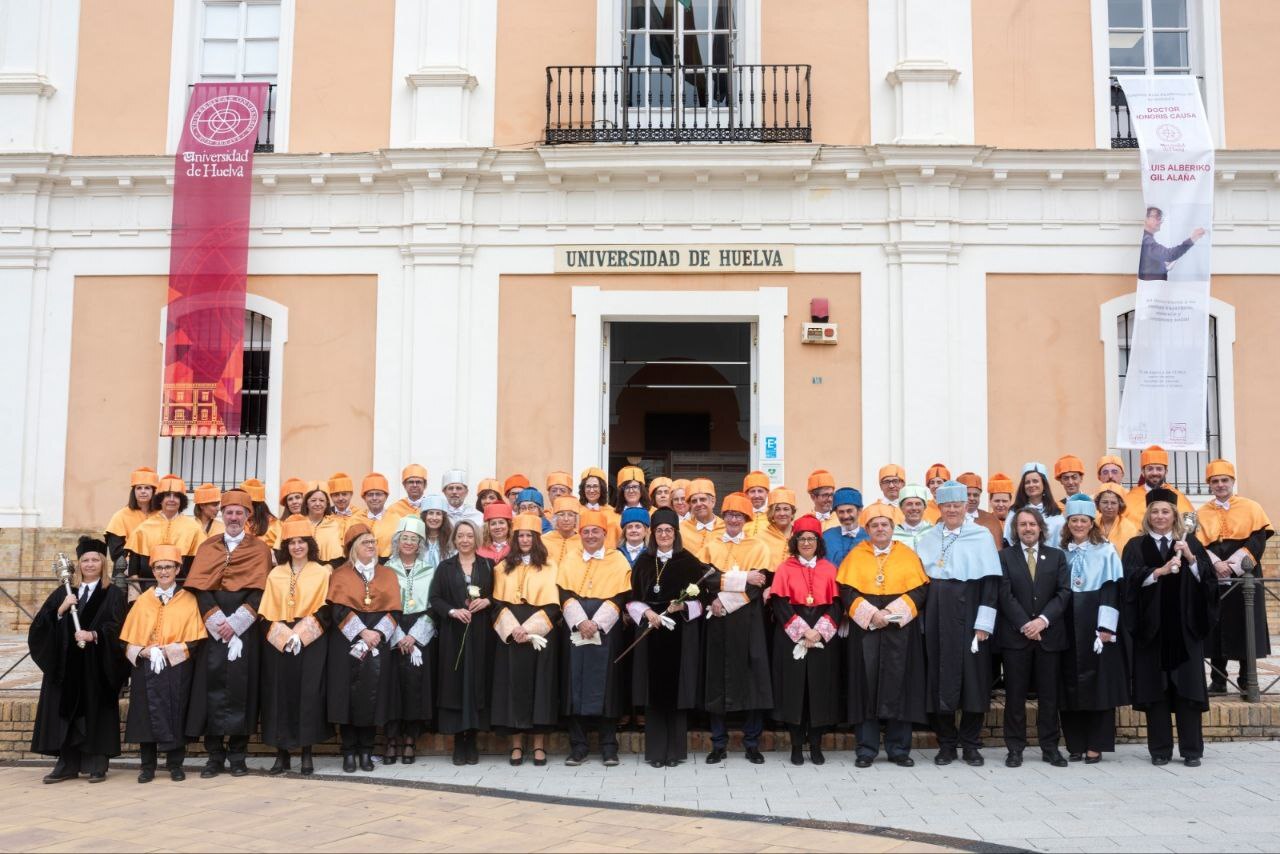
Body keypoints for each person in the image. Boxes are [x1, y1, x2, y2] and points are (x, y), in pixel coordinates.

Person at [1122, 488, 1219, 766]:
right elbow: (1128, 583)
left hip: (1184, 631)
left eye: (1165, 511)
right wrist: (1157, 572)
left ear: (1175, 515)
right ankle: (1160, 751)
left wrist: (1190, 558)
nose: (1160, 516)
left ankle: (1191, 751)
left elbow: (1208, 583)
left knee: (1187, 694)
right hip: (1151, 632)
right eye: (1155, 511)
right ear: (1147, 515)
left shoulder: (1190, 544)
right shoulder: (1135, 546)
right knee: (1157, 693)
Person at [184, 488, 271, 779]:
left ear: (248, 516)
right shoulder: (208, 546)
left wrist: (237, 623)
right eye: (229, 512)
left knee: (241, 690)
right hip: (213, 627)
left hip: (245, 629)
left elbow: (261, 591)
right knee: (211, 689)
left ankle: (237, 755)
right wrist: (217, 620)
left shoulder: (260, 549)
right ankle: (214, 756)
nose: (234, 517)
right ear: (222, 515)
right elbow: (200, 588)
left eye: (239, 512)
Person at [916, 481, 1001, 767]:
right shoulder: (928, 537)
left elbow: (990, 584)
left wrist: (984, 624)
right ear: (938, 508)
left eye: (957, 505)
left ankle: (971, 744)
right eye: (946, 505)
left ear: (966, 506)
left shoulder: (981, 536)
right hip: (937, 617)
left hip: (971, 617)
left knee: (974, 681)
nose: (952, 510)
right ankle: (947, 744)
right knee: (939, 680)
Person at [838, 502, 929, 768]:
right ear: (867, 529)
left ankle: (899, 749)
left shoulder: (907, 555)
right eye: (875, 525)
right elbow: (847, 591)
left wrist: (891, 613)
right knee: (866, 687)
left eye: (885, 525)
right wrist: (871, 615)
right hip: (866, 631)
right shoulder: (856, 556)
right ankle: (866, 749)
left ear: (892, 528)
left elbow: (920, 591)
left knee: (900, 685)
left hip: (899, 630)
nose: (880, 529)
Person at [28, 536, 126, 783]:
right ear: (78, 564)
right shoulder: (65, 592)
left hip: (96, 666)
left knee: (96, 712)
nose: (90, 564)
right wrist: (60, 611)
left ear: (103, 564)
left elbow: (119, 628)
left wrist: (94, 634)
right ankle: (67, 763)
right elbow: (40, 627)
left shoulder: (112, 593)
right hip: (66, 665)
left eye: (95, 560)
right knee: (67, 712)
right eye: (85, 560)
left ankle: (97, 763)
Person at [118, 545, 207, 783]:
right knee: (145, 715)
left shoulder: (189, 600)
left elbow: (195, 640)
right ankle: (147, 766)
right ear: (153, 570)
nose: (164, 571)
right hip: (146, 667)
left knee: (176, 712)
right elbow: (126, 640)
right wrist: (145, 651)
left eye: (168, 567)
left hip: (176, 667)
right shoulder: (143, 600)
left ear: (178, 569)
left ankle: (175, 764)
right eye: (159, 567)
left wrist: (168, 651)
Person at [627, 508, 707, 768]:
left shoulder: (689, 562)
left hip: (679, 635)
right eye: (659, 530)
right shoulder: (643, 562)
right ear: (653, 534)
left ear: (676, 533)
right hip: (651, 633)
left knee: (677, 692)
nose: (664, 534)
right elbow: (632, 600)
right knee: (654, 694)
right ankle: (656, 753)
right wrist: (648, 612)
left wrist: (682, 606)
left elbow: (702, 601)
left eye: (668, 531)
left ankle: (674, 752)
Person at [557, 509, 632, 767]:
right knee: (574, 684)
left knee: (607, 686)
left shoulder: (618, 560)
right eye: (585, 531)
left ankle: (609, 746)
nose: (590, 536)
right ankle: (578, 746)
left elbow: (621, 596)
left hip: (607, 630)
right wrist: (580, 622)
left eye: (595, 531)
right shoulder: (569, 558)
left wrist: (597, 623)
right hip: (575, 628)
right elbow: (564, 592)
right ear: (580, 535)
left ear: (605, 533)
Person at [702, 493, 773, 765]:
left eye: (738, 515)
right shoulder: (710, 545)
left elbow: (757, 585)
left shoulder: (759, 546)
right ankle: (718, 743)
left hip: (748, 621)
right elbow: (704, 581)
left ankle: (751, 742)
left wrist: (723, 598)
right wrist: (737, 580)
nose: (733, 519)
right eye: (729, 514)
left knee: (752, 681)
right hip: (717, 621)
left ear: (746, 519)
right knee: (717, 680)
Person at [1057, 496, 1129, 764]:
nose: (1078, 524)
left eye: (1083, 521)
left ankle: (1095, 744)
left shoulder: (1106, 551)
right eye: (1073, 520)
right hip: (1066, 622)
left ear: (1091, 523)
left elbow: (1111, 590)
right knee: (1068, 684)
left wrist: (1106, 627)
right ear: (1068, 524)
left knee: (1098, 685)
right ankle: (1075, 743)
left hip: (1094, 623)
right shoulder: (1060, 552)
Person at [997, 507, 1070, 768]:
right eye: (1022, 525)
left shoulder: (1057, 557)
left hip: (1049, 636)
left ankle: (1050, 747)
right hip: (1016, 638)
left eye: (1032, 524)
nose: (1027, 529)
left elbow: (1063, 593)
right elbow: (1004, 594)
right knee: (1015, 696)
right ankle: (1014, 748)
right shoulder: (1004, 557)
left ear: (1041, 528)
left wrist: (1042, 621)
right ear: (1015, 530)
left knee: (1049, 696)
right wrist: (1026, 624)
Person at [259, 515, 330, 776]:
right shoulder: (275, 573)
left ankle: (307, 752)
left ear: (310, 544)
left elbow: (325, 610)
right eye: (292, 542)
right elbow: (265, 613)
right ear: (285, 546)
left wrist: (300, 635)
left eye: (302, 542)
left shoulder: (321, 572)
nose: (297, 546)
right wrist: (284, 636)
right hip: (279, 640)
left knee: (308, 695)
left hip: (309, 641)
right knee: (279, 695)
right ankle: (282, 754)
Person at [327, 523, 401, 773]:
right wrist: (361, 632)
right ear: (354, 548)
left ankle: (367, 751)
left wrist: (377, 634)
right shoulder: (340, 574)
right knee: (347, 696)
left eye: (373, 542)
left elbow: (394, 611)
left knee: (372, 695)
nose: (371, 546)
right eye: (365, 543)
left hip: (377, 643)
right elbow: (336, 609)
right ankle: (348, 752)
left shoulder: (388, 574)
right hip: (346, 642)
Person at [1197, 459, 1273, 696]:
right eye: (1215, 481)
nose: (1220, 485)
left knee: (1245, 623)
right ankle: (1218, 680)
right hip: (1214, 574)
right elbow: (1197, 545)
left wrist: (1233, 566)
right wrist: (1216, 565)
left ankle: (1246, 679)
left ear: (1232, 481)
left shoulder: (1252, 507)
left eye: (1224, 480)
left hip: (1245, 574)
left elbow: (1257, 540)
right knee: (1216, 625)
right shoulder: (1201, 512)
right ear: (1209, 485)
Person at [770, 514, 841, 766]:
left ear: (818, 542)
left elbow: (836, 605)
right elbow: (779, 604)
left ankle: (817, 745)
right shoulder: (784, 568)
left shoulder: (829, 569)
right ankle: (797, 746)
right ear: (795, 541)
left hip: (822, 637)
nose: (807, 543)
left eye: (812, 538)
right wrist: (802, 632)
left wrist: (819, 631)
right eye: (802, 538)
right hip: (791, 636)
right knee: (795, 692)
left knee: (819, 692)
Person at [491, 514, 561, 767]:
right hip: (510, 637)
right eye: (520, 535)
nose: (524, 539)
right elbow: (497, 604)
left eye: (529, 535)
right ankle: (517, 745)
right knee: (512, 689)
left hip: (539, 636)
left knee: (539, 689)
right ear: (514, 538)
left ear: (537, 538)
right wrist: (514, 629)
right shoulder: (501, 567)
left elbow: (554, 606)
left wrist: (529, 629)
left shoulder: (551, 566)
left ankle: (539, 746)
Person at [430, 519, 495, 766]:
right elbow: (435, 599)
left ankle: (473, 739)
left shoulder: (488, 565)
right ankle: (459, 740)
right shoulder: (445, 567)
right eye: (461, 536)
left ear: (476, 538)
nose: (465, 540)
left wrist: (487, 602)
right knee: (456, 683)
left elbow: (497, 597)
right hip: (453, 633)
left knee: (477, 681)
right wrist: (452, 611)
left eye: (469, 536)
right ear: (454, 540)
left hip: (481, 634)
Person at [384, 516, 439, 765]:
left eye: (413, 539)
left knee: (415, 688)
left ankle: (410, 741)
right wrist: (397, 635)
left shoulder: (430, 571)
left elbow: (434, 606)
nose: (408, 543)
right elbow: (381, 606)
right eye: (404, 538)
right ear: (397, 541)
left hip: (419, 633)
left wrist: (414, 636)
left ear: (420, 544)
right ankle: (391, 740)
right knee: (391, 688)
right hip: (392, 630)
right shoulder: (385, 569)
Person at [127, 474, 203, 580]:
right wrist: (134, 588)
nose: (172, 499)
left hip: (182, 586)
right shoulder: (144, 527)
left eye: (176, 496)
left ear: (181, 500)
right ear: (160, 499)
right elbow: (134, 565)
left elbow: (199, 564)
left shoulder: (194, 528)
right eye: (167, 495)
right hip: (148, 585)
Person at [104, 466, 159, 572]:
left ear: (153, 491)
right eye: (139, 488)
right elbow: (116, 552)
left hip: (158, 569)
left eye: (147, 488)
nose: (143, 491)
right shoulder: (120, 516)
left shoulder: (161, 516)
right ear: (133, 491)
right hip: (127, 570)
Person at [1123, 445, 1193, 527]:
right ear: (1143, 472)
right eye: (1150, 469)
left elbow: (1187, 527)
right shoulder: (1130, 498)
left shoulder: (1178, 497)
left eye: (1159, 469)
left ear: (1166, 472)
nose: (1155, 473)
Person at [1003, 463, 1064, 548]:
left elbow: (1061, 544)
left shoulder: (1055, 514)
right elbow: (1009, 541)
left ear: (1044, 484)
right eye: (1027, 482)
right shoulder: (1014, 512)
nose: (1031, 485)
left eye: (1035, 481)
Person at [1138, 205, 1206, 281]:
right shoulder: (1146, 240)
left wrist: (1163, 267)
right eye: (1157, 217)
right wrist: (1193, 238)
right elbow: (1169, 255)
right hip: (1151, 288)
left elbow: (1148, 266)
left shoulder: (1146, 238)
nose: (1160, 221)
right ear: (1145, 218)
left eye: (1160, 218)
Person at [822, 487, 867, 568]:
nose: (845, 516)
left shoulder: (869, 537)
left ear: (859, 510)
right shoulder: (826, 537)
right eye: (841, 512)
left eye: (849, 511)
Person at [680, 477, 724, 559]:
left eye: (702, 499)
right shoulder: (681, 530)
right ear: (690, 505)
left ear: (713, 501)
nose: (699, 504)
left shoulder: (725, 529)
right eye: (694, 501)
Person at [957, 473, 1003, 546]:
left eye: (975, 495)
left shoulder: (991, 520)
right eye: (968, 495)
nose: (972, 498)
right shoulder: (949, 519)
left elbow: (998, 551)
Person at [303, 482, 343, 566]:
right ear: (306, 503)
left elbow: (340, 555)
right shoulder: (297, 523)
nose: (317, 504)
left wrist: (330, 567)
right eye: (313, 500)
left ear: (326, 504)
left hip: (327, 570)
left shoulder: (336, 525)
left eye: (321, 500)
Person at [578, 467, 620, 547]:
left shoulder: (614, 513)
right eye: (588, 486)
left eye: (595, 486)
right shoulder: (576, 512)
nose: (592, 490)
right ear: (583, 489)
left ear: (602, 488)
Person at [326, 472, 367, 554]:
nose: (341, 498)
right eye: (336, 495)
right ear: (331, 496)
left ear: (351, 494)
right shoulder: (326, 516)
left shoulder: (361, 515)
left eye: (344, 494)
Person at [757, 487, 796, 570]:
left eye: (786, 509)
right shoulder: (760, 537)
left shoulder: (799, 535)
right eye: (777, 509)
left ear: (792, 513)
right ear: (772, 513)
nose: (782, 513)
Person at [360, 472, 397, 559]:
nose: (374, 498)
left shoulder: (396, 520)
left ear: (386, 496)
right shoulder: (355, 520)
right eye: (370, 494)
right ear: (364, 497)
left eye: (378, 494)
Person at [1096, 485, 1140, 554]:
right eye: (1105, 502)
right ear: (1098, 504)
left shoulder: (1130, 528)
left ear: (1120, 505)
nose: (1109, 507)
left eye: (1113, 503)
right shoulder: (1091, 525)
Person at [240, 478, 281, 551]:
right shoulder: (238, 523)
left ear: (257, 506)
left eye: (248, 504)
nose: (243, 508)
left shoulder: (274, 525)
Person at [543, 496, 583, 565]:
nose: (566, 519)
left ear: (576, 519)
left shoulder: (583, 543)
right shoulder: (544, 540)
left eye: (570, 515)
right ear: (555, 519)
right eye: (561, 515)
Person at [893, 485, 932, 551]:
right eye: (909, 504)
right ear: (901, 508)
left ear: (924, 507)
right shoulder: (893, 535)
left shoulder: (934, 532)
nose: (914, 508)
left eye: (918, 504)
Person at [421, 494, 455, 568]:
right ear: (424, 516)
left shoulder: (451, 540)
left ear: (443, 518)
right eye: (431, 513)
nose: (434, 518)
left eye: (438, 514)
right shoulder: (418, 539)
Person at [742, 470, 772, 537]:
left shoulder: (773, 516)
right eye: (752, 491)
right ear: (746, 494)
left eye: (760, 491)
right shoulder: (740, 516)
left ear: (767, 493)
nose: (756, 495)